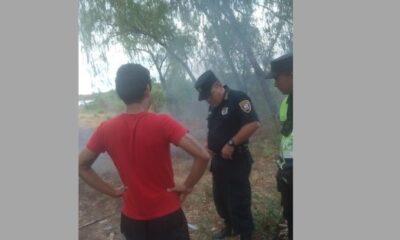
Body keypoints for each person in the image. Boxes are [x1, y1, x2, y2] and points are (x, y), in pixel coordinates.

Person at [79, 63, 211, 240]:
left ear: (121, 93)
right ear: (147, 89)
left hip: (132, 221)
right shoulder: (162, 122)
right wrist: (187, 186)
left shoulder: (105, 129)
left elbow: (81, 165)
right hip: (167, 216)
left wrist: (112, 191)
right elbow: (202, 155)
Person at [194, 70, 260, 240]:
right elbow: (214, 130)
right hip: (219, 162)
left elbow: (253, 123)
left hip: (236, 160)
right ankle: (229, 227)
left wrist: (232, 143)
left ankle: (245, 233)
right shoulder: (213, 106)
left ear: (218, 86)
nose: (208, 99)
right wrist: (208, 146)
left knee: (238, 200)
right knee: (221, 198)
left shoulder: (238, 98)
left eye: (209, 95)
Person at [265, 53, 293, 240]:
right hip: (288, 173)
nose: (275, 84)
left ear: (292, 75)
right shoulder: (285, 102)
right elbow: (288, 135)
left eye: (277, 78)